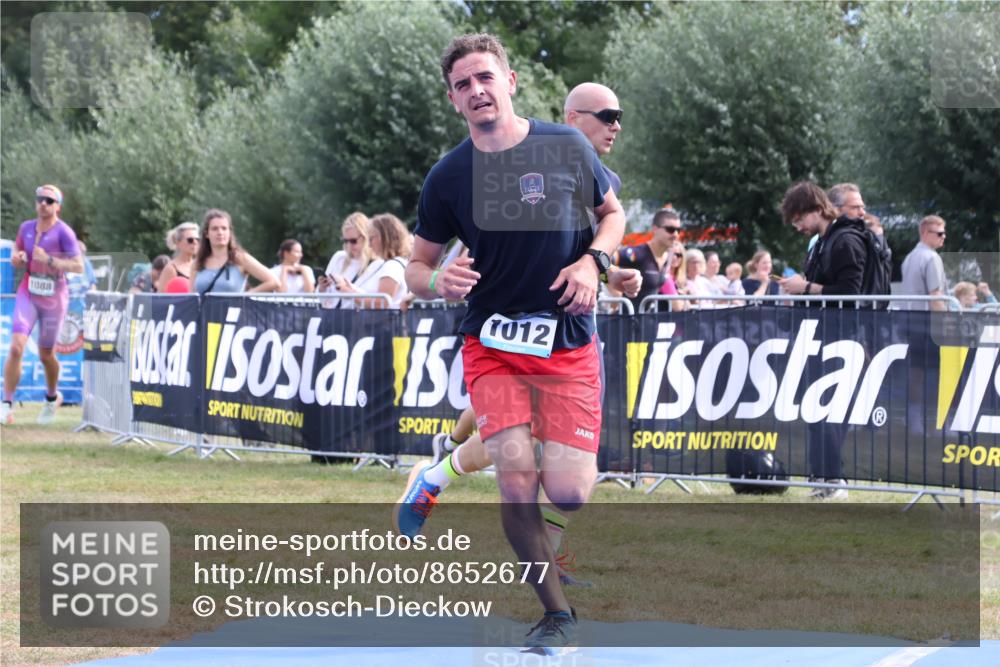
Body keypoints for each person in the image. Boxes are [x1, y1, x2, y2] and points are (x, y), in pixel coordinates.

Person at [398, 34, 627, 654]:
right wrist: (436, 280)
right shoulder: (447, 178)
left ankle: (437, 471)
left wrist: (594, 265)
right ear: (453, 100)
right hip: (491, 344)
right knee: (516, 474)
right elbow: (414, 268)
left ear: (511, 80)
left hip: (567, 341)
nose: (476, 91)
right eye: (462, 85)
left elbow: (612, 215)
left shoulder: (565, 145)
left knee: (572, 492)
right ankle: (558, 617)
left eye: (484, 78)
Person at [779, 181, 869, 500]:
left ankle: (834, 480)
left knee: (830, 410)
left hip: (842, 336)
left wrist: (805, 288)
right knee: (816, 409)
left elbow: (851, 292)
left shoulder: (845, 240)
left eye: (799, 219)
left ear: (817, 210)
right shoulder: (822, 241)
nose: (799, 227)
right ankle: (823, 478)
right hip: (820, 335)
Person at [2, 185, 84, 425]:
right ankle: (6, 404)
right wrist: (16, 257)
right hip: (28, 291)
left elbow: (78, 266)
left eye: (49, 200)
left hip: (54, 296)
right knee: (16, 347)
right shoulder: (26, 228)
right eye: (40, 199)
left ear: (57, 206)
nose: (43, 204)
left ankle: (51, 397)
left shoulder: (64, 233)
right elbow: (17, 249)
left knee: (46, 354)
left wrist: (49, 260)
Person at [190, 209, 278, 294]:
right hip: (204, 309)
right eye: (215, 229)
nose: (220, 232)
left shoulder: (240, 258)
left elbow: (274, 281)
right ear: (206, 234)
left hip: (233, 308)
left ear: (230, 232)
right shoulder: (198, 263)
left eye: (224, 228)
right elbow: (192, 296)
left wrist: (246, 296)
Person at [332, 213, 410, 309]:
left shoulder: (392, 266)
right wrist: (351, 290)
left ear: (383, 238)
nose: (369, 245)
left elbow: (382, 302)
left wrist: (349, 293)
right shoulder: (397, 263)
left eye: (371, 238)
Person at [611, 209, 683, 311]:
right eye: (670, 229)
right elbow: (602, 260)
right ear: (655, 229)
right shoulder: (638, 253)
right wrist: (612, 286)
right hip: (625, 321)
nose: (675, 234)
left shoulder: (667, 258)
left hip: (647, 322)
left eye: (678, 230)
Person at [317, 212, 373, 309]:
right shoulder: (339, 257)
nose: (349, 246)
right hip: (334, 317)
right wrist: (322, 287)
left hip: (358, 319)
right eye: (345, 241)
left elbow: (375, 299)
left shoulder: (375, 263)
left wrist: (346, 288)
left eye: (353, 241)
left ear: (365, 237)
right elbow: (324, 298)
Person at [900, 215, 948, 311]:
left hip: (908, 317)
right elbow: (936, 297)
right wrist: (946, 321)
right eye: (939, 233)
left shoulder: (909, 257)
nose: (943, 236)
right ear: (925, 233)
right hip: (927, 319)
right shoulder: (932, 258)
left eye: (944, 233)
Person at [156, 222, 200, 293]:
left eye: (197, 239)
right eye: (190, 240)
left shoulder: (200, 265)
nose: (195, 242)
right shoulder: (171, 269)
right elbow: (160, 299)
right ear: (178, 243)